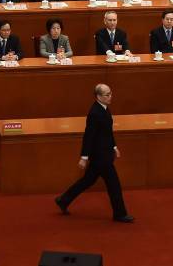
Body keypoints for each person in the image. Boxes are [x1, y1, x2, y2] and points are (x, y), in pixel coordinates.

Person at [55, 84, 134, 223]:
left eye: (110, 93)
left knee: (88, 180)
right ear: (98, 96)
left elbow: (107, 132)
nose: (110, 97)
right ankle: (120, 213)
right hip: (100, 157)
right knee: (114, 185)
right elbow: (89, 136)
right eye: (107, 95)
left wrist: (114, 146)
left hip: (103, 153)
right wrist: (84, 157)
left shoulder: (104, 109)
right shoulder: (95, 113)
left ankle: (63, 200)